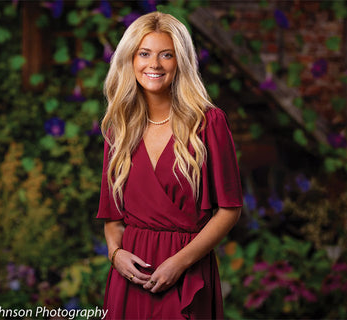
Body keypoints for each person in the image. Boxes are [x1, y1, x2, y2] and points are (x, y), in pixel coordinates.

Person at [96, 11, 243, 319]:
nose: (154, 64)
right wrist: (115, 254)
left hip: (187, 273)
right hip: (130, 278)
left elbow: (230, 209)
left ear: (181, 63)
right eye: (144, 53)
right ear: (130, 60)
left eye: (167, 55)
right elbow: (112, 217)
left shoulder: (208, 123)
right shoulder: (119, 128)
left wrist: (179, 263)